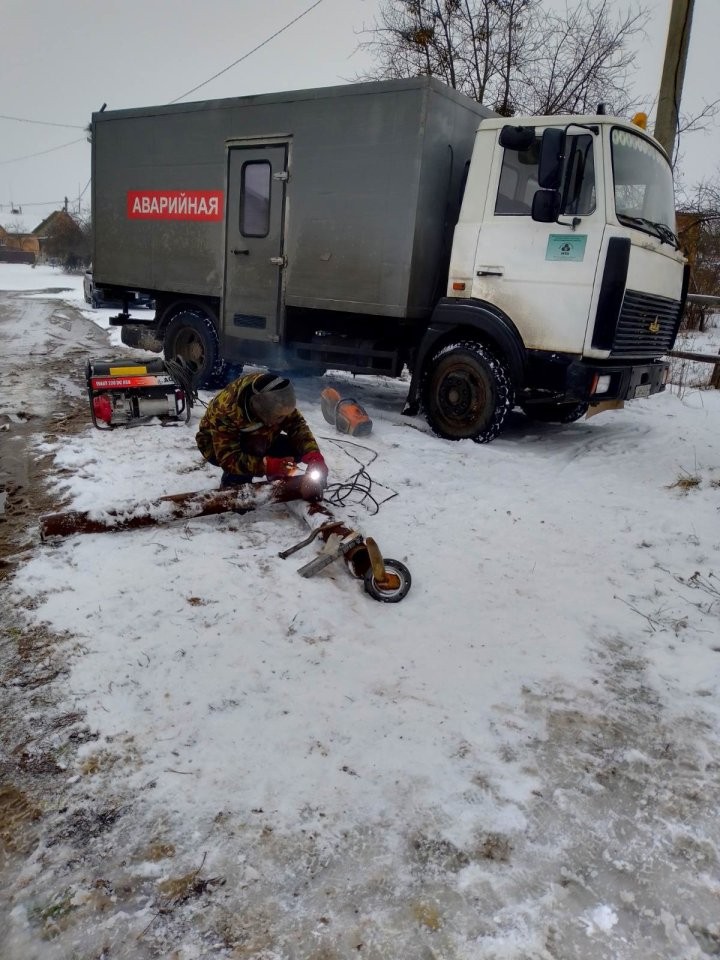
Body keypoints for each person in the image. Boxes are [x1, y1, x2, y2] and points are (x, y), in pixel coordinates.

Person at [196, 372, 328, 497]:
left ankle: (276, 476)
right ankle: (233, 483)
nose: (282, 420)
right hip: (217, 448)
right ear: (260, 410)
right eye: (278, 417)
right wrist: (267, 466)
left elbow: (297, 425)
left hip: (258, 437)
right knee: (242, 496)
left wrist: (313, 454)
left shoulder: (275, 397)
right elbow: (228, 458)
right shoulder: (226, 410)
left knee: (296, 448)